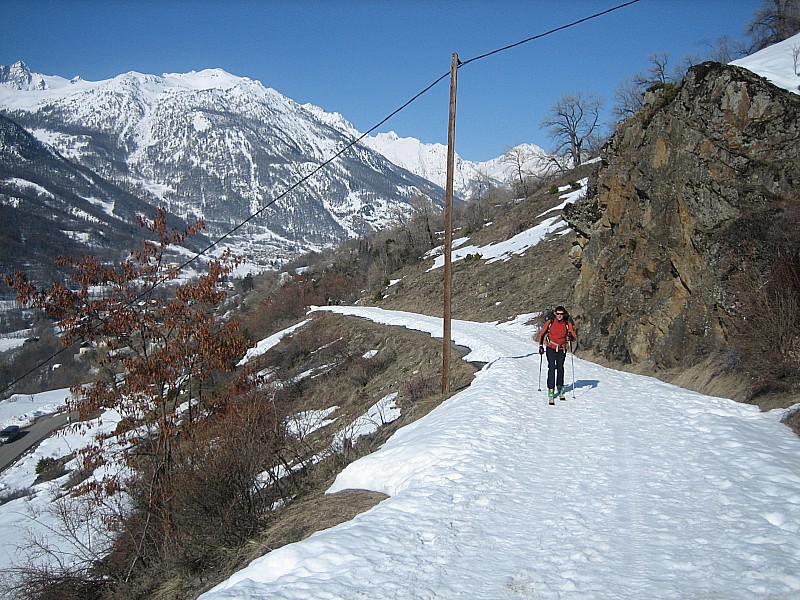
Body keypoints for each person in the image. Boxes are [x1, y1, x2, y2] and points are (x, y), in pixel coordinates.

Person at [538, 306, 576, 405]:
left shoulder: (567, 323)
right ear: (555, 313)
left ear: (564, 314)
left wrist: (571, 337)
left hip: (562, 349)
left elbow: (573, 336)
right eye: (558, 314)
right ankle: (551, 390)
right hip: (551, 347)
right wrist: (541, 346)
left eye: (561, 314)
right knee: (551, 367)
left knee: (560, 368)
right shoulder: (550, 322)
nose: (559, 316)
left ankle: (560, 388)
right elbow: (542, 334)